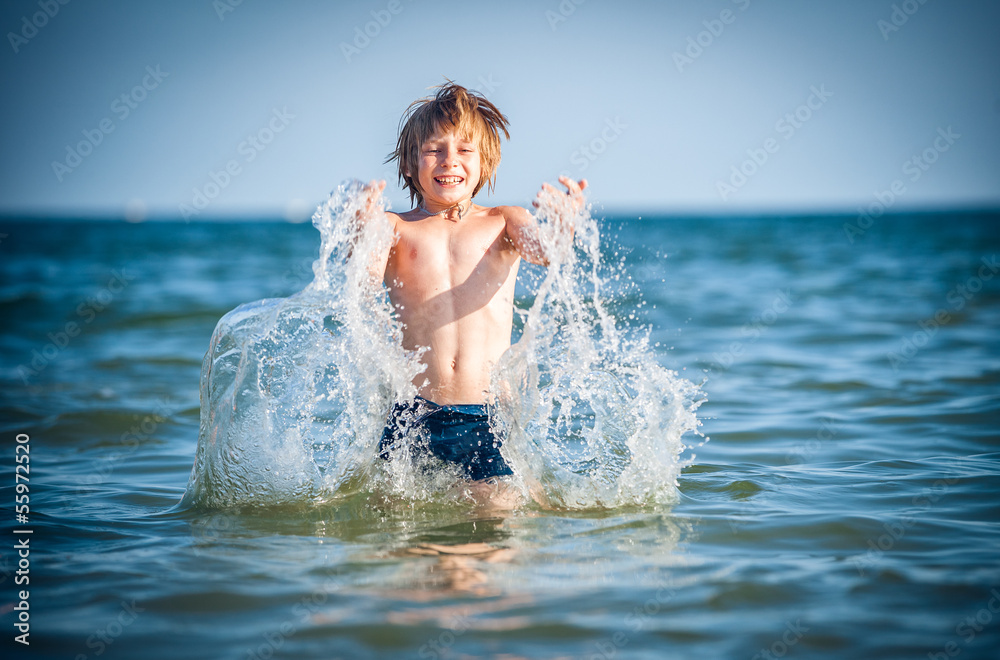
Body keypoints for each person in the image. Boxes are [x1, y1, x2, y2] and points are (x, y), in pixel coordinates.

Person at [359, 82, 586, 505]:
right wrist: (359, 234)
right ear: (410, 164)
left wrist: (564, 227)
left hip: (483, 415)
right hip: (413, 414)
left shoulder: (504, 222)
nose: (450, 161)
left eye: (465, 150)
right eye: (435, 150)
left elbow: (547, 254)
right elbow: (362, 282)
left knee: (500, 505)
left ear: (486, 162)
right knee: (386, 514)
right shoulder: (394, 228)